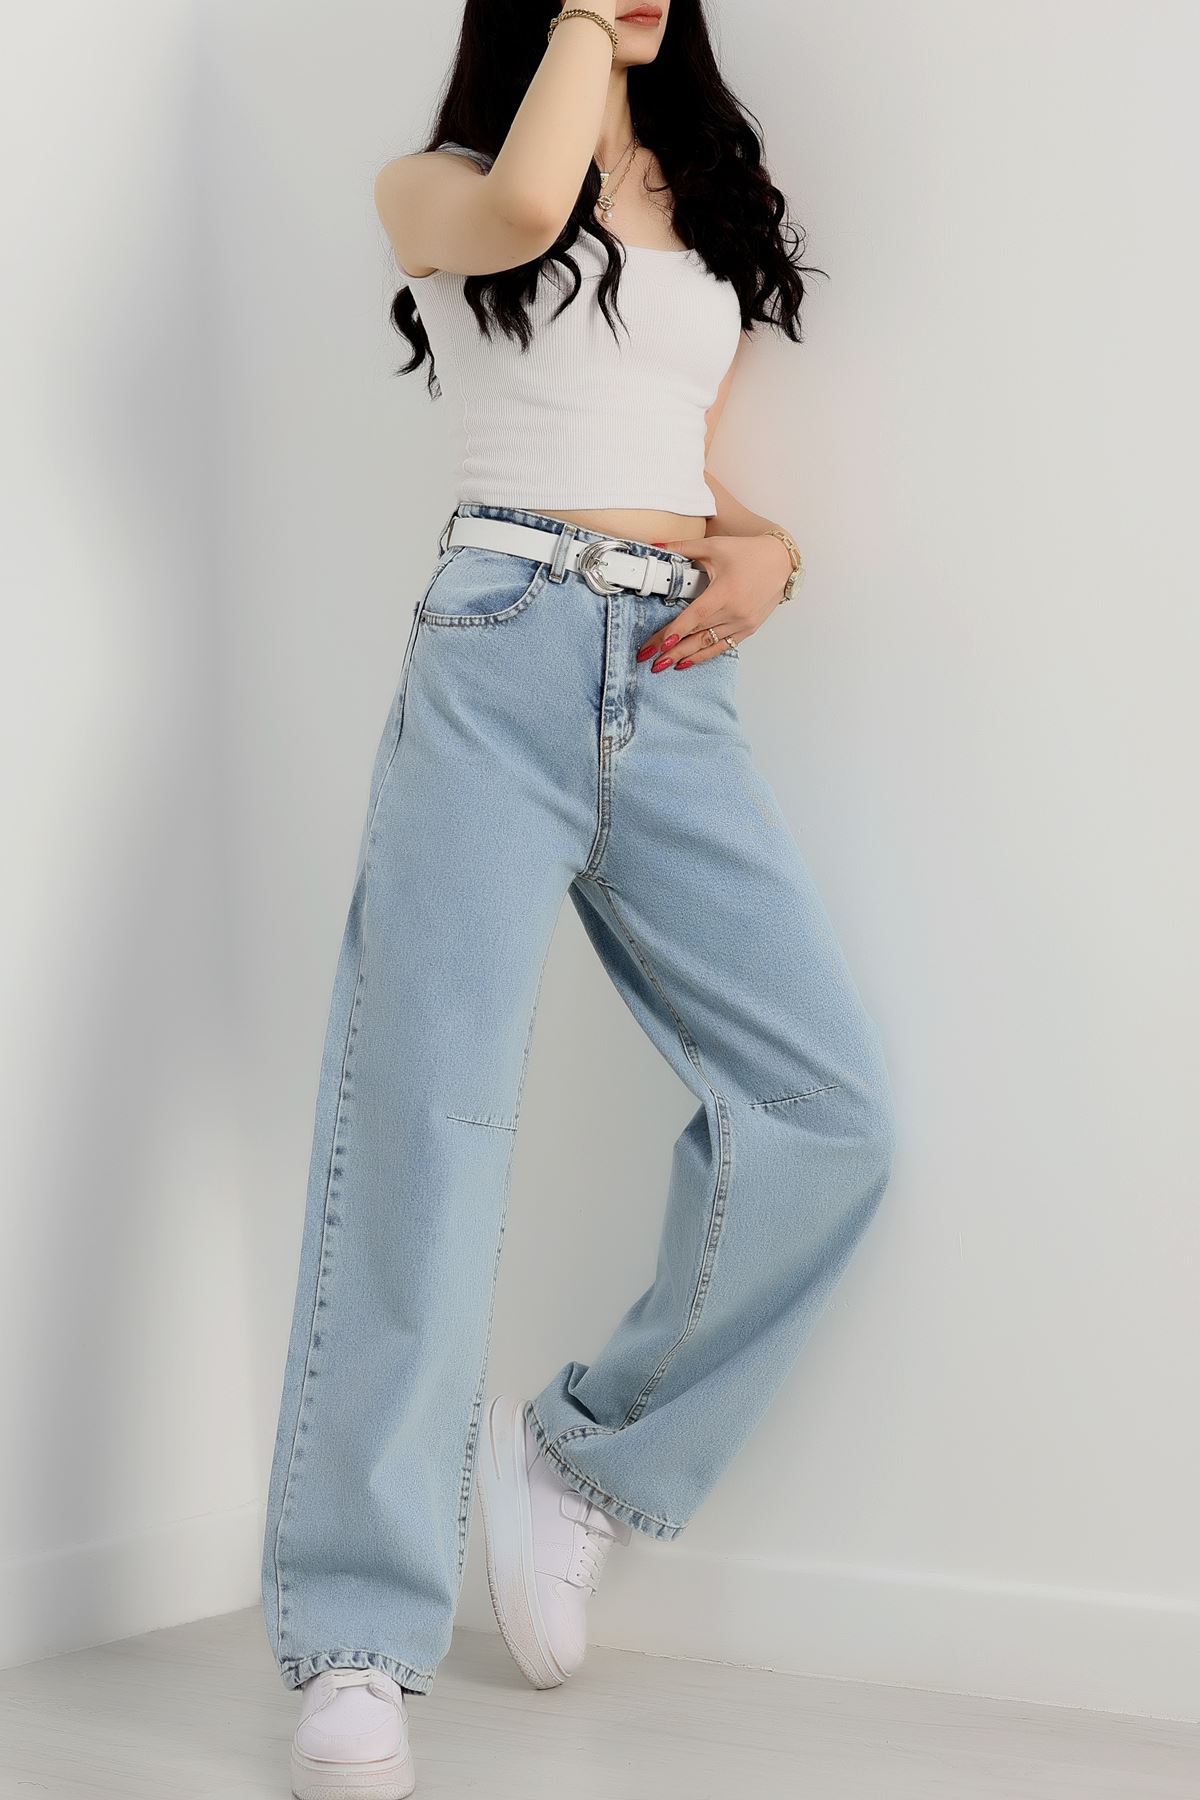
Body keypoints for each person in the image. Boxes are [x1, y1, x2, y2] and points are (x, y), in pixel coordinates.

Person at [261, 3, 896, 1794]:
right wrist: (575, 37)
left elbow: (671, 451)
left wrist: (767, 547)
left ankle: (581, 1457)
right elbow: (530, 211)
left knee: (828, 1111)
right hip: (498, 649)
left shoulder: (704, 189)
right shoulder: (438, 183)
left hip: (675, 682)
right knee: (424, 1134)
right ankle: (358, 1637)